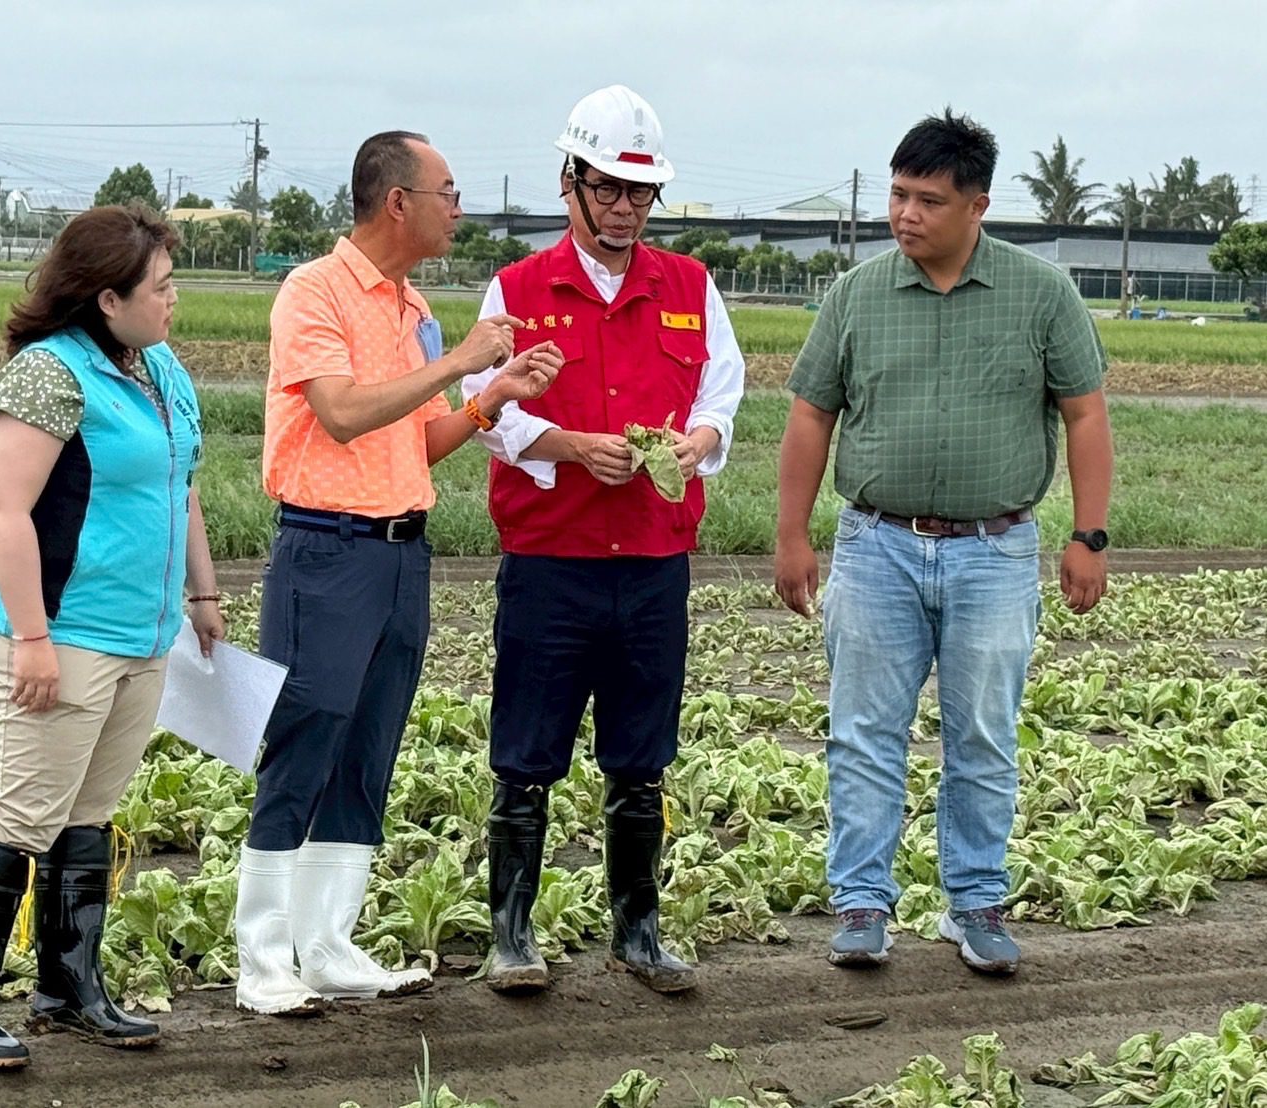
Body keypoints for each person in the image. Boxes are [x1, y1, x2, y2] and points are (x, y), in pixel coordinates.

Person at [775, 109, 1113, 977]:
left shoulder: (1043, 296)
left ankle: (976, 901)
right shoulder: (855, 296)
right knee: (863, 733)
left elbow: (1085, 414)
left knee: (984, 737)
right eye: (896, 194)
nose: (904, 214)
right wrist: (792, 534)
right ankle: (860, 903)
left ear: (977, 206)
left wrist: (1089, 535)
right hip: (876, 544)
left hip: (994, 552)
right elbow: (812, 412)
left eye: (927, 199)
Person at [235, 130, 562, 1016]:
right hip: (325, 549)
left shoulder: (413, 307)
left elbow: (419, 439)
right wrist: (461, 362)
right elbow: (339, 415)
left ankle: (328, 943)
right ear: (397, 202)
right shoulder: (315, 291)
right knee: (305, 737)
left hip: (399, 551)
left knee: (370, 744)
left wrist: (494, 397)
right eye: (448, 192)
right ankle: (264, 956)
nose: (460, 209)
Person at [0, 204, 226, 1068]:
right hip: (64, 632)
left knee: (88, 814)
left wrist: (202, 593)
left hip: (144, 632)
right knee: (23, 811)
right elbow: (7, 512)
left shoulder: (161, 369)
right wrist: (30, 640)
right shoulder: (49, 377)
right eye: (161, 287)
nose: (175, 300)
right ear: (106, 298)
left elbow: (184, 484)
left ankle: (69, 986)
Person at [462, 85, 745, 996]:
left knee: (641, 750)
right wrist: (567, 445)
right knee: (528, 748)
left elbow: (721, 397)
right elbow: (492, 413)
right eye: (609, 189)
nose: (626, 208)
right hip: (552, 560)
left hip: (655, 563)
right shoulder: (515, 289)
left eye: (640, 193)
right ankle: (511, 933)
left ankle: (640, 928)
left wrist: (698, 443)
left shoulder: (690, 287)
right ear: (570, 184)